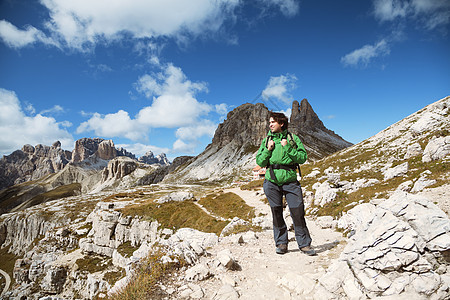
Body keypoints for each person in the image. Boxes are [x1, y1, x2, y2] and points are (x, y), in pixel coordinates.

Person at [256, 111, 316, 256]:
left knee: (297, 212)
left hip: (290, 182)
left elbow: (302, 157)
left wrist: (288, 147)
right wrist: (268, 150)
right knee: (277, 213)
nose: (270, 124)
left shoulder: (292, 138)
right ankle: (281, 243)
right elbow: (260, 162)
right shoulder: (267, 141)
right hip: (271, 182)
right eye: (269, 122)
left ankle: (304, 244)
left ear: (281, 124)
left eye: (272, 122)